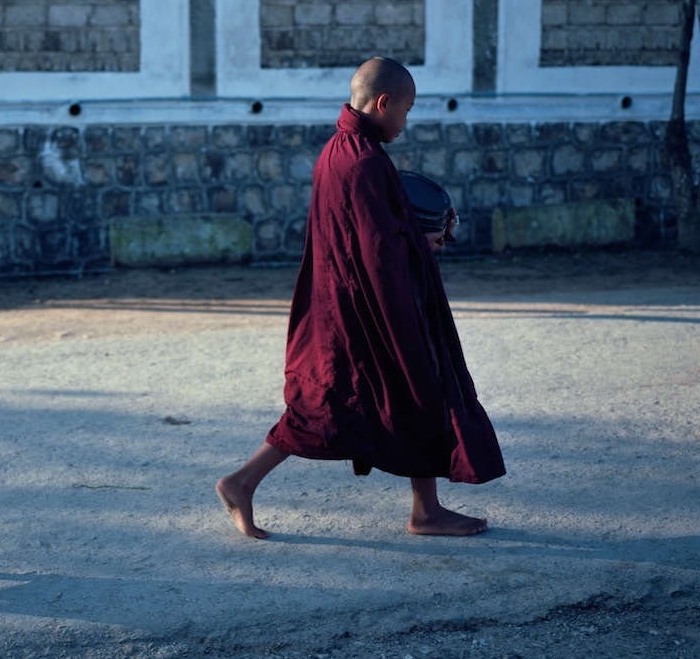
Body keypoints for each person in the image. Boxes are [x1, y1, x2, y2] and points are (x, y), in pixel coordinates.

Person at [216, 57, 505, 540]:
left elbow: (371, 235)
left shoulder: (337, 150)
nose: (406, 122)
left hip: (339, 306)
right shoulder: (366, 162)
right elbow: (379, 252)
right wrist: (424, 250)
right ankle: (244, 481)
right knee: (393, 394)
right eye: (406, 111)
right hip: (367, 312)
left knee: (334, 405)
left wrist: (415, 236)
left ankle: (245, 482)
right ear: (383, 102)